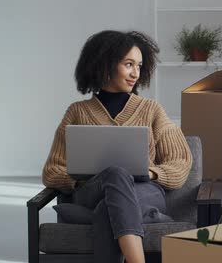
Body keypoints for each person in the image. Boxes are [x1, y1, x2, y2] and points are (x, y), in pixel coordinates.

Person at [42, 30, 192, 263]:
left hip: (144, 190)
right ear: (105, 64)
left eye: (139, 66)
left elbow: (180, 163)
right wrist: (83, 179)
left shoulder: (152, 110)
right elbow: (52, 170)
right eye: (128, 64)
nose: (135, 73)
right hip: (93, 191)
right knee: (115, 173)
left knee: (106, 209)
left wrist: (150, 172)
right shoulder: (77, 112)